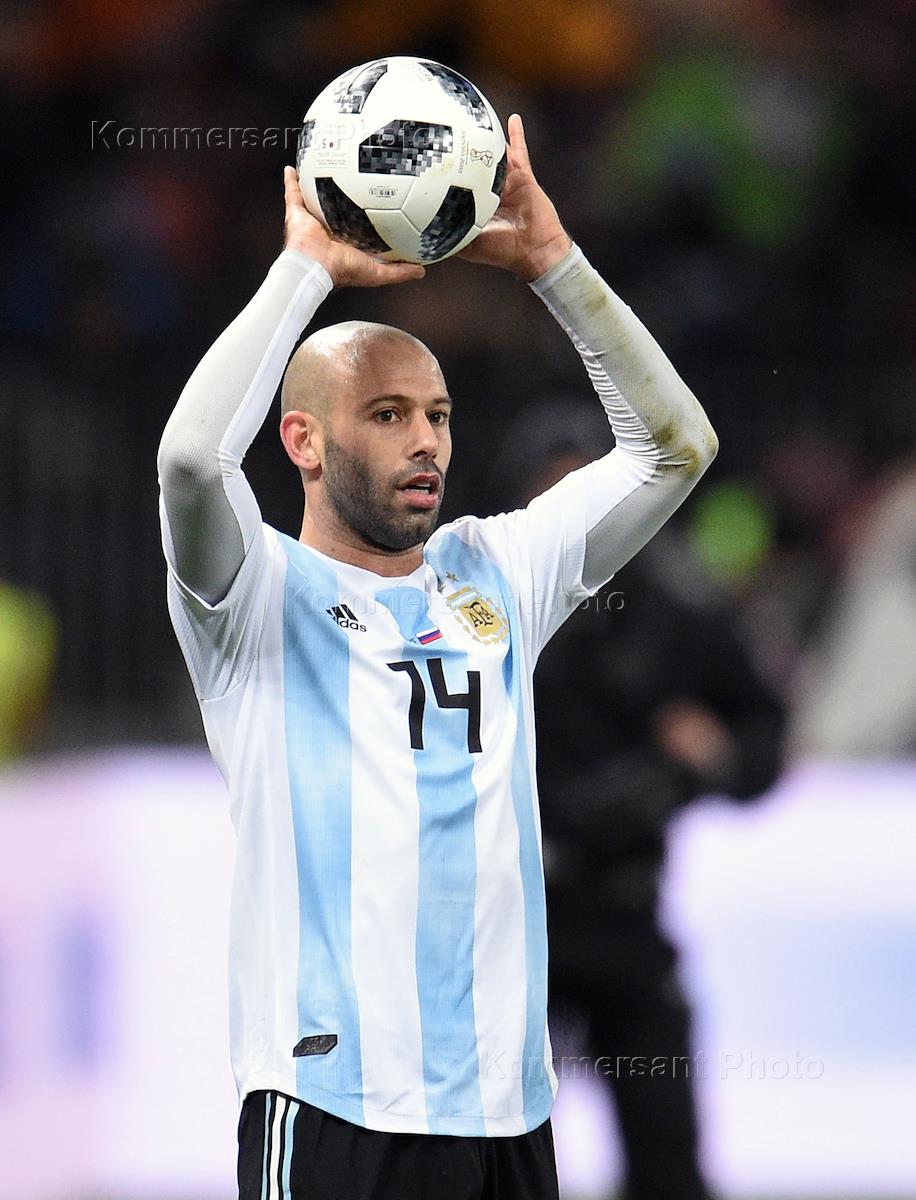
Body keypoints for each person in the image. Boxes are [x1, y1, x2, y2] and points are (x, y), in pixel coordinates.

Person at [157, 113, 718, 1200]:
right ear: (304, 440)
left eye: (438, 415)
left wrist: (555, 266)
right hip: (331, 1105)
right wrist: (304, 271)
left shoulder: (494, 573)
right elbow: (190, 459)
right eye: (385, 414)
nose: (425, 441)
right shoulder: (251, 594)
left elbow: (674, 447)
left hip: (508, 1117)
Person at [515, 412, 784, 1200]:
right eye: (554, 492)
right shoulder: (482, 598)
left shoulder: (675, 609)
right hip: (511, 925)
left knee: (667, 1156)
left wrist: (711, 763)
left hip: (624, 912)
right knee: (478, 1157)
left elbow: (761, 736)